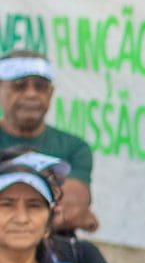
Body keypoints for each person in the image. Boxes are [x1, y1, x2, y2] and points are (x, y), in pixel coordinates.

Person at [0, 53, 96, 230]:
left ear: (51, 93)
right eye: (19, 85)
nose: (31, 94)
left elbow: (71, 210)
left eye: (40, 86)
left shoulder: (73, 147)